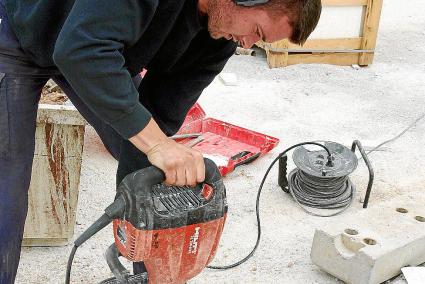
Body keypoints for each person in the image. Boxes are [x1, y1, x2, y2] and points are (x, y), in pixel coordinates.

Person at [0, 0, 321, 282]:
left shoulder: (217, 40)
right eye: (258, 32)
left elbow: (160, 115)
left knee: (138, 150)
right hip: (23, 31)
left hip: (93, 44)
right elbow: (80, 50)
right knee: (8, 185)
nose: (249, 44)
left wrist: (142, 239)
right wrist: (157, 145)